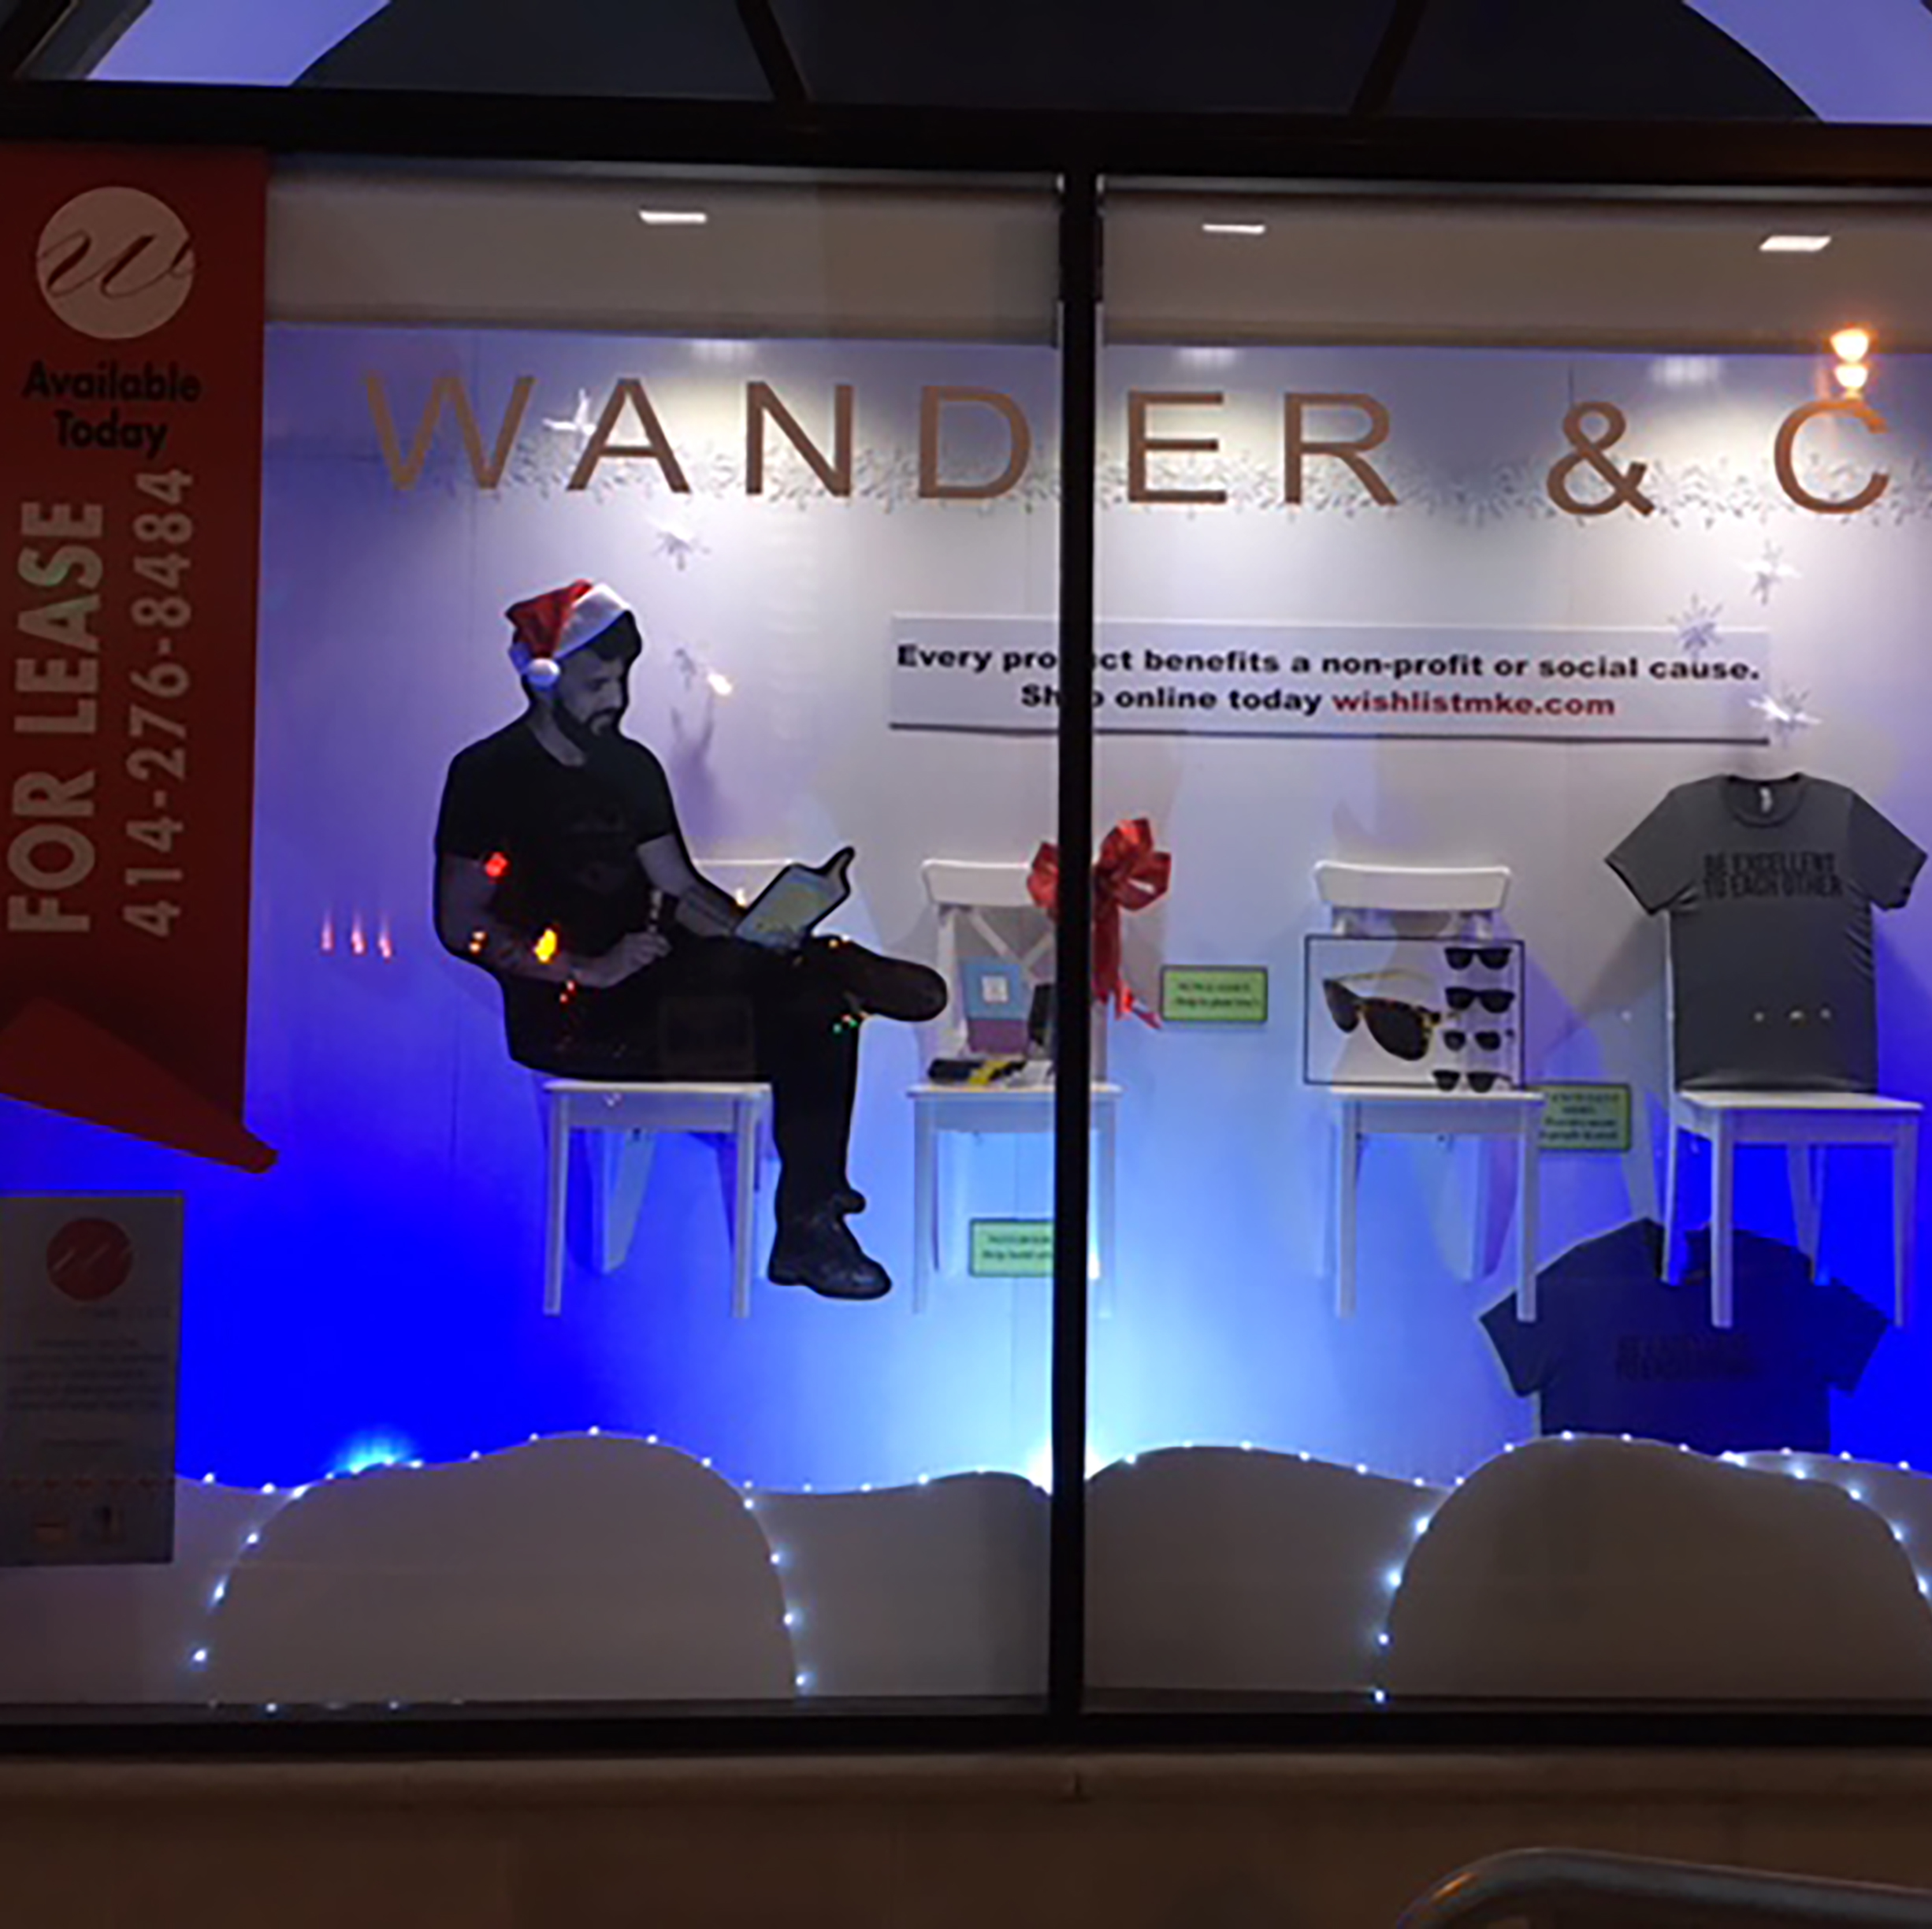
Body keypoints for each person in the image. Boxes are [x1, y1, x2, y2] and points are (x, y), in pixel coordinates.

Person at [433, 581, 946, 1299]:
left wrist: (758, 932)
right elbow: (461, 923)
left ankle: (823, 978)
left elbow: (677, 885)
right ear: (544, 679)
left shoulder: (630, 767)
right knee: (822, 1005)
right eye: (598, 683)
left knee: (819, 1005)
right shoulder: (488, 773)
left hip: (660, 984)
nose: (616, 699)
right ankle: (811, 1213)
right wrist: (589, 967)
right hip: (575, 1018)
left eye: (623, 680)